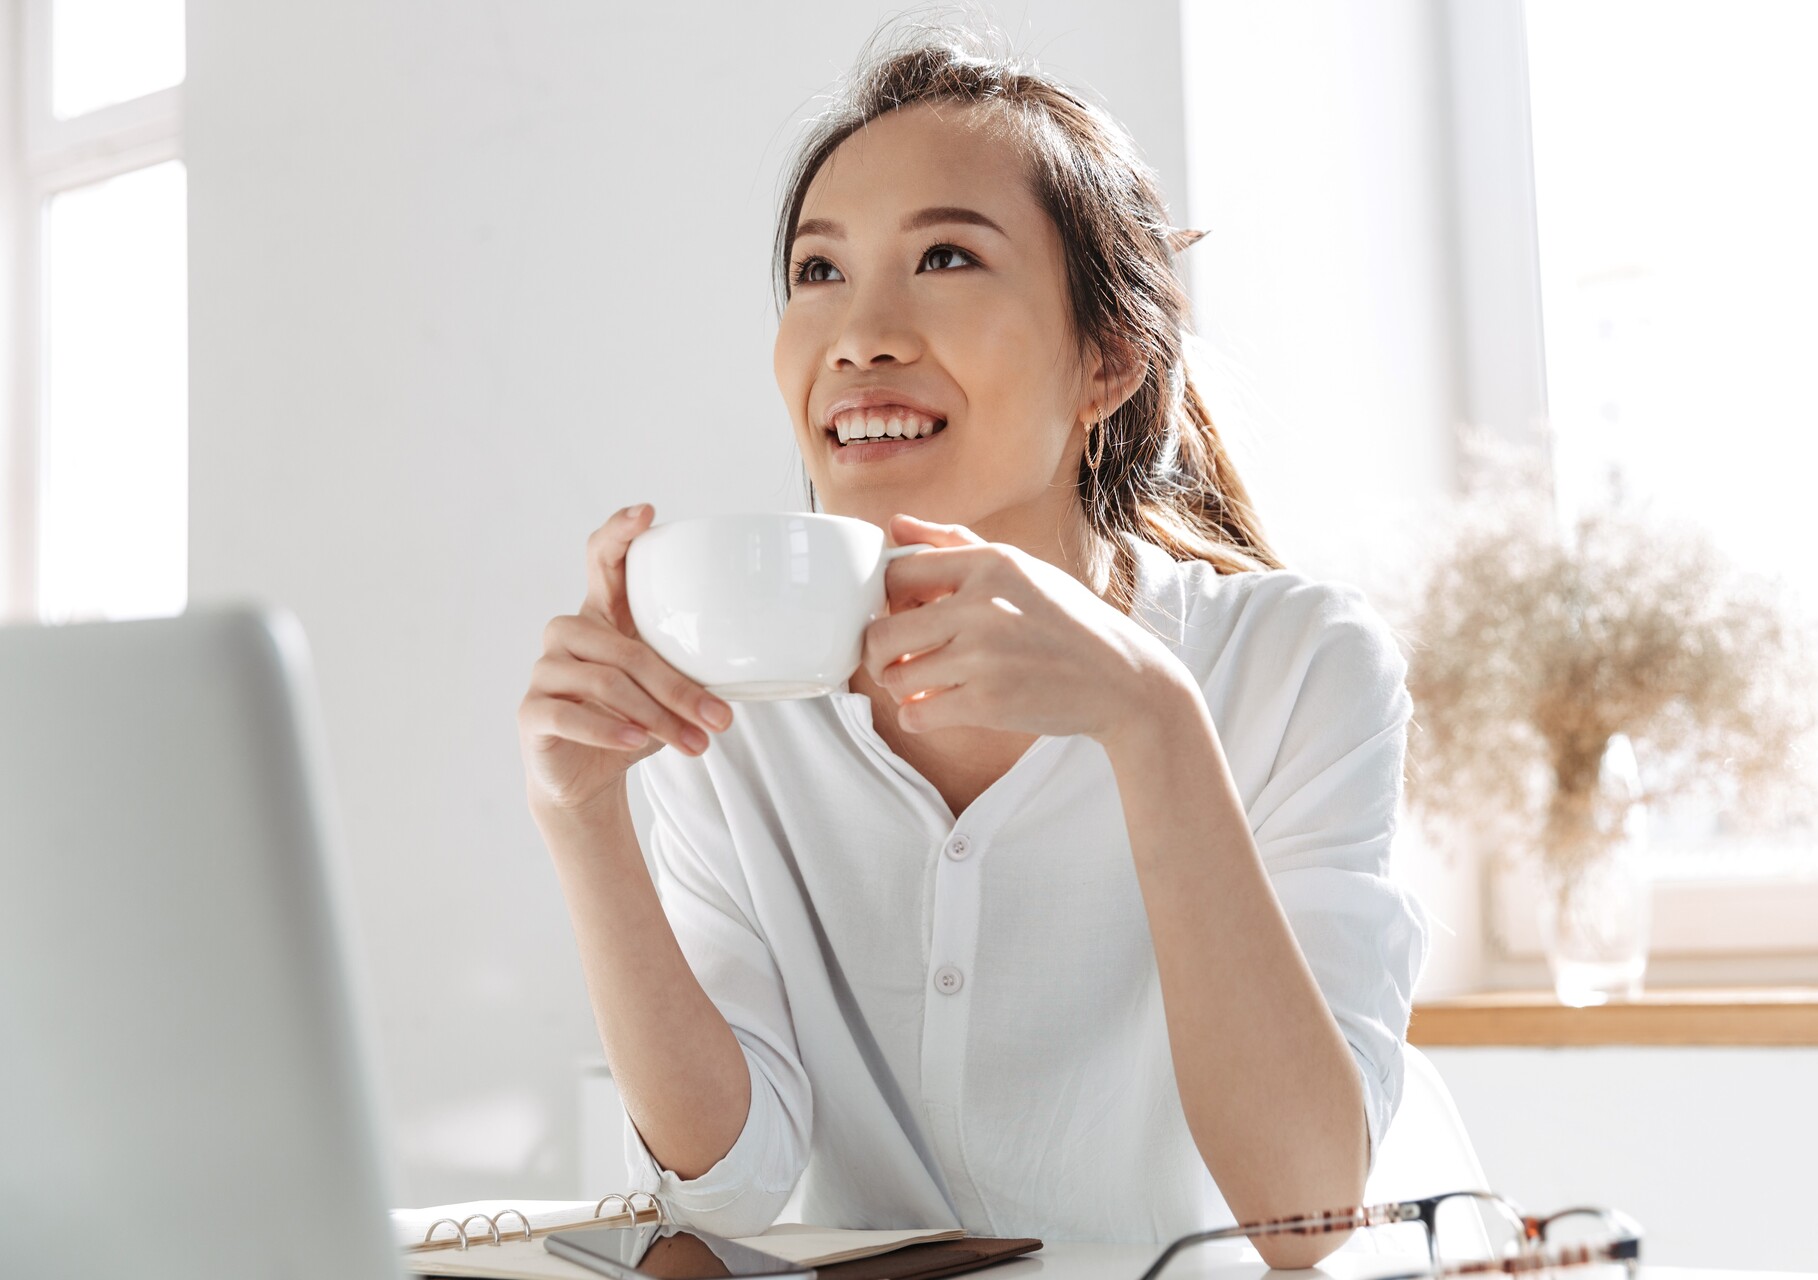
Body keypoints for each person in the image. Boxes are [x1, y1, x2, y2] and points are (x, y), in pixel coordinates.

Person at [516, 25, 1427, 1271]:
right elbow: (728, 1189)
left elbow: (1305, 1217)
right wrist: (585, 820)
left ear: (1108, 357)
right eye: (817, 270)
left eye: (945, 255)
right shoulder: (722, 703)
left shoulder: (1296, 666)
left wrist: (1151, 722)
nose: (859, 333)